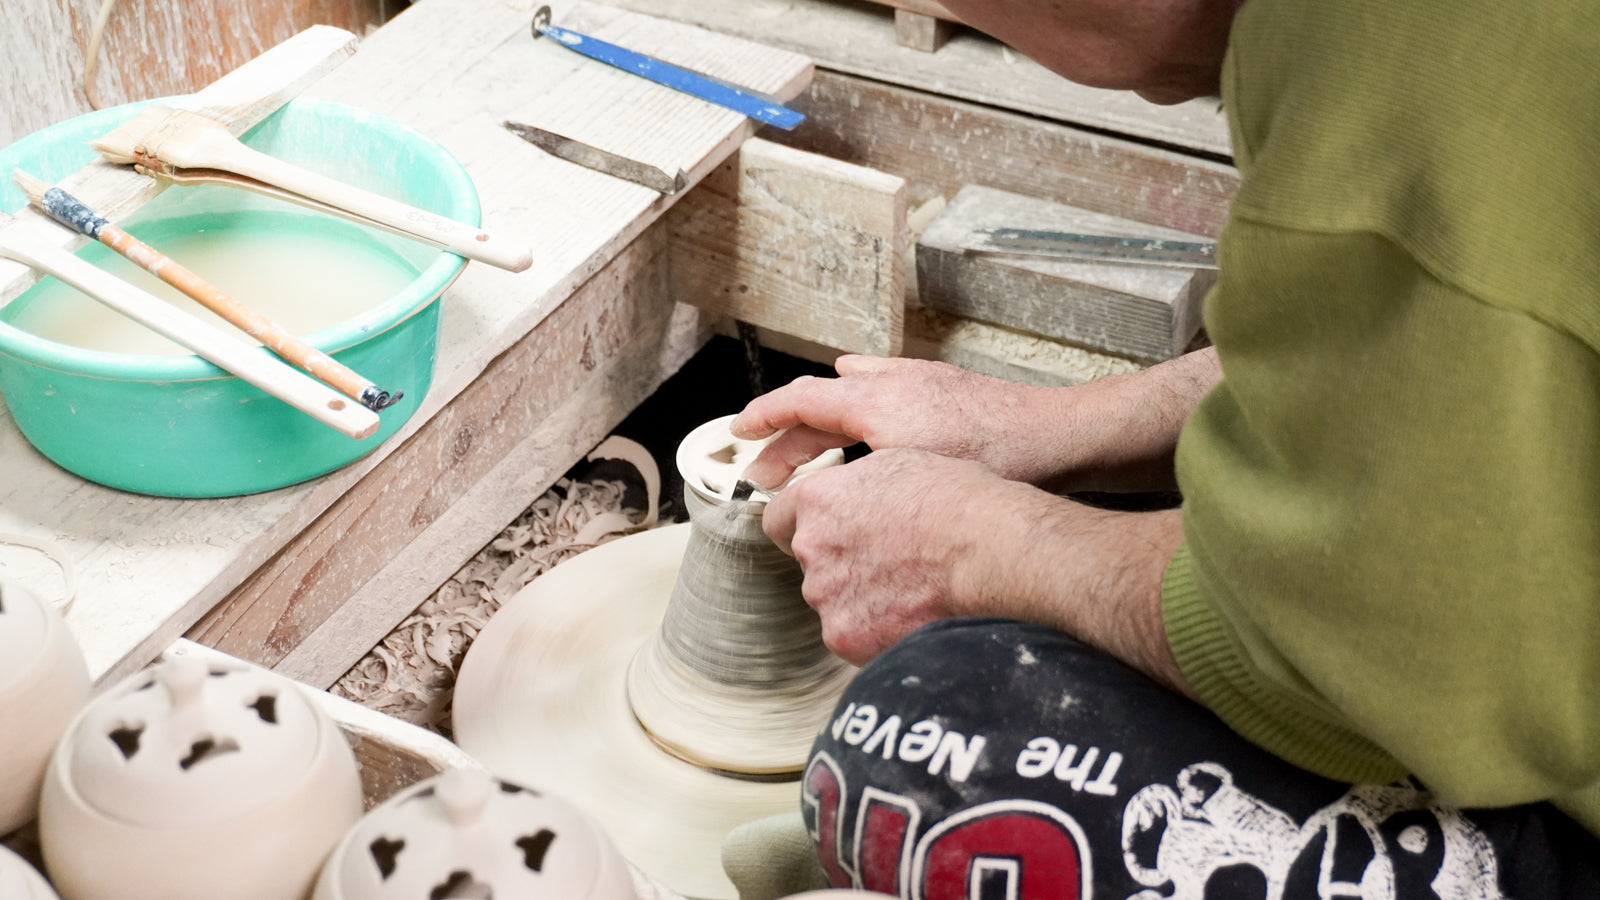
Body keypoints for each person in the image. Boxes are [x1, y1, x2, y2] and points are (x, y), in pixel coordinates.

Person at [725, 0, 1600, 895]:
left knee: (931, 743)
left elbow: (1386, 633)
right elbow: (1415, 351)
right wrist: (1053, 427)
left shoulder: (1389, 50)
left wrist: (977, 543)